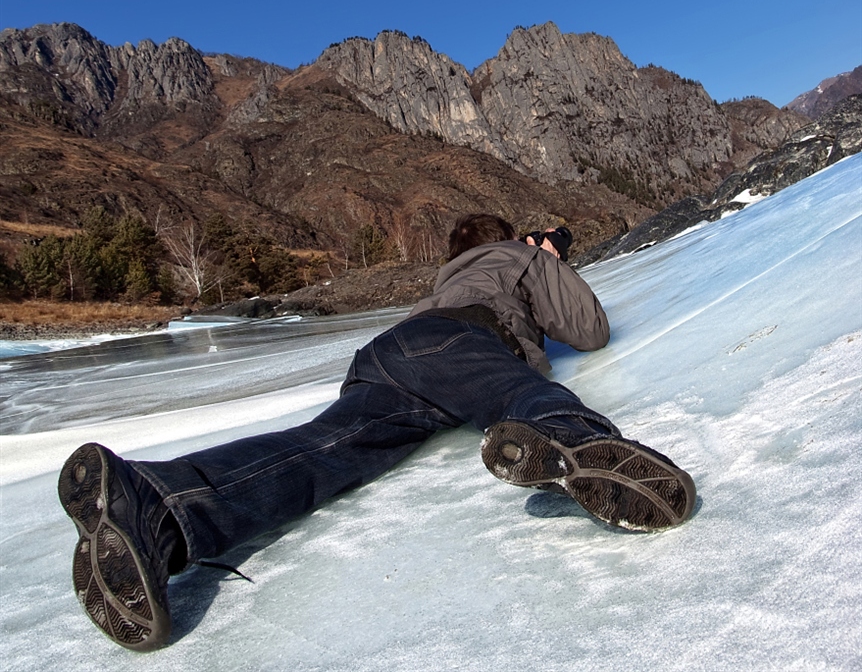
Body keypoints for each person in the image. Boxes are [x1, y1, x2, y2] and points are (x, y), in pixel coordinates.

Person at [57, 213, 696, 652]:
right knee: (522, 393)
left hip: (386, 353)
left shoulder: (448, 277)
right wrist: (546, 259)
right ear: (508, 237)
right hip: (464, 340)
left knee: (322, 448)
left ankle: (156, 506)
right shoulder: (519, 255)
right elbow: (589, 331)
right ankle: (573, 441)